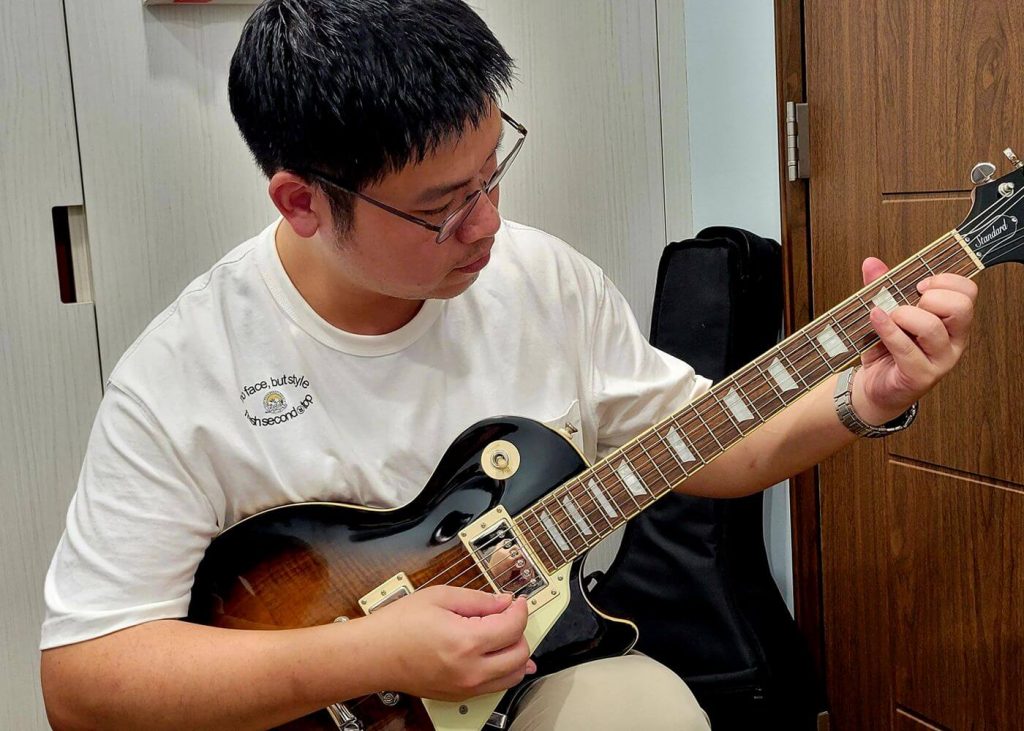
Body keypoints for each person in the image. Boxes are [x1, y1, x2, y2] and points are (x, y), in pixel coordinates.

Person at [38, 1, 978, 729]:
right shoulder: (186, 369)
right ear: (301, 203)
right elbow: (82, 682)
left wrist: (861, 398)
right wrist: (367, 657)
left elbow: (706, 446)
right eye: (442, 205)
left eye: (495, 169)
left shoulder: (540, 279)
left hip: (533, 673)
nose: (488, 221)